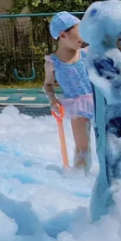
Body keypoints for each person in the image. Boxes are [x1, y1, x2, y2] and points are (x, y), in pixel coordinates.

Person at [44, 11, 94, 172]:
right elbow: (48, 85)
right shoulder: (53, 63)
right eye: (80, 32)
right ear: (63, 35)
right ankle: (80, 179)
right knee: (83, 147)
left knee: (109, 140)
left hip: (97, 100)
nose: (83, 37)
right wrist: (52, 100)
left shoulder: (86, 53)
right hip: (77, 107)